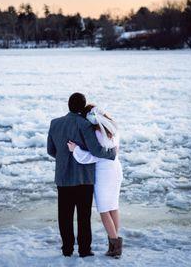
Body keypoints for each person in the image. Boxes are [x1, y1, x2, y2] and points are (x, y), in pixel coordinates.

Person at [47, 93, 116, 258]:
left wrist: (64, 158)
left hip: (63, 177)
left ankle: (67, 249)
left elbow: (51, 150)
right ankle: (84, 250)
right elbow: (96, 150)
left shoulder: (55, 123)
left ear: (68, 105)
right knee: (83, 216)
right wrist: (112, 152)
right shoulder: (85, 124)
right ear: (82, 106)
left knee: (65, 216)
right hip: (84, 178)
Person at [67, 104, 123, 258]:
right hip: (116, 169)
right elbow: (113, 151)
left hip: (104, 173)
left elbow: (94, 156)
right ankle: (113, 245)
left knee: (104, 210)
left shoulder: (96, 133)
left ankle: (116, 247)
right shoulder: (113, 129)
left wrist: (75, 151)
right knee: (113, 207)